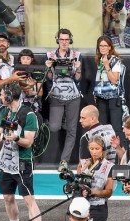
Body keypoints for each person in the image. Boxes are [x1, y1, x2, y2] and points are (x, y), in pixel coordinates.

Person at [0, 81, 45, 221]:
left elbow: (28, 142)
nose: (0, 97)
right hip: (7, 160)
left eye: (2, 95)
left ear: (8, 97)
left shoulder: (29, 115)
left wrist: (15, 139)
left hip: (22, 161)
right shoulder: (5, 112)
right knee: (8, 196)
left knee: (29, 199)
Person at [0, 32, 26, 181]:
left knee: (12, 133)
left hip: (13, 103)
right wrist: (12, 78)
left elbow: (18, 81)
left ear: (8, 44)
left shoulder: (14, 60)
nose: (1, 43)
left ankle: (10, 166)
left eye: (4, 41)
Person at [45, 28, 83, 169]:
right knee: (54, 127)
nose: (64, 42)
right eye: (62, 39)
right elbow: (49, 78)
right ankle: (63, 120)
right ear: (57, 40)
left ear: (70, 40)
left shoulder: (76, 55)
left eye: (67, 39)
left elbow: (78, 79)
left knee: (72, 131)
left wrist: (78, 68)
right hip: (56, 95)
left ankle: (64, 161)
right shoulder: (49, 55)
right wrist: (48, 68)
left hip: (73, 96)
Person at [77, 136, 114, 221]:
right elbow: (78, 183)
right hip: (82, 206)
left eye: (97, 149)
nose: (94, 152)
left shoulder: (109, 166)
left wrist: (92, 192)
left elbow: (109, 192)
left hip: (98, 207)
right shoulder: (83, 164)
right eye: (91, 149)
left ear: (103, 149)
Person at [93, 36, 126, 144]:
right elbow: (99, 78)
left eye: (105, 46)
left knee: (116, 127)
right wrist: (96, 91)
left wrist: (107, 65)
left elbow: (114, 80)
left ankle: (122, 155)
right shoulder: (99, 60)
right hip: (101, 98)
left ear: (110, 47)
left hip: (113, 98)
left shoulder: (115, 61)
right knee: (102, 127)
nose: (103, 48)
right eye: (101, 46)